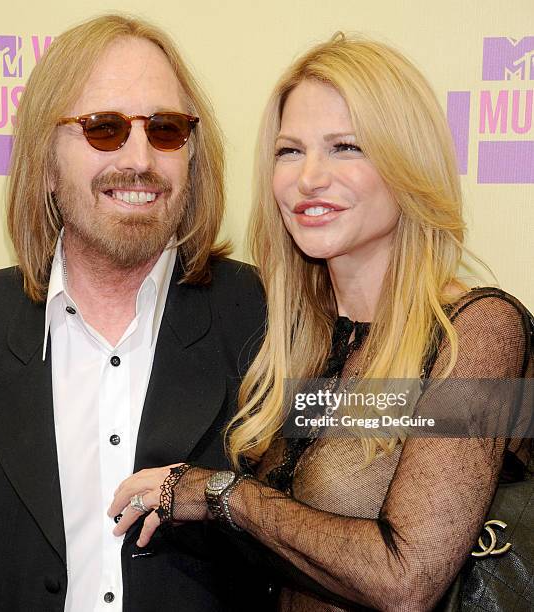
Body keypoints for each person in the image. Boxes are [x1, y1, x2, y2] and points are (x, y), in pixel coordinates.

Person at [109, 33, 533, 611]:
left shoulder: (476, 331)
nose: (309, 178)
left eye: (346, 147)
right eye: (290, 151)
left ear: (407, 162)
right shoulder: (287, 333)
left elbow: (406, 577)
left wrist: (218, 494)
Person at [0, 14, 274, 612]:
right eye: (104, 129)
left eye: (165, 129)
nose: (140, 158)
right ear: (46, 161)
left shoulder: (267, 321)